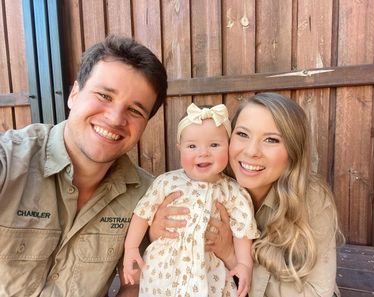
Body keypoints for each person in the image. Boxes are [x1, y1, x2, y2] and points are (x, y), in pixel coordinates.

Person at [0, 35, 167, 297]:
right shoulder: (10, 160)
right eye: (104, 95)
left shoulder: (148, 195)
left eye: (135, 111)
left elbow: (135, 283)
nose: (114, 118)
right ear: (74, 94)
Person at [150, 93, 344, 297]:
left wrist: (233, 257)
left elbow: (318, 292)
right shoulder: (210, 181)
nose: (251, 151)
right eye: (242, 134)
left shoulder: (311, 198)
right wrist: (157, 231)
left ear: (292, 152)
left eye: (271, 139)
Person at [122, 103, 260, 297]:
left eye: (214, 145)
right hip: (164, 270)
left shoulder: (232, 191)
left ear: (229, 146)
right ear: (180, 148)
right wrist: (131, 247)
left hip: (209, 270)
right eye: (192, 146)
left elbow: (242, 230)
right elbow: (143, 213)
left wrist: (244, 264)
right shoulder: (167, 182)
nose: (203, 152)